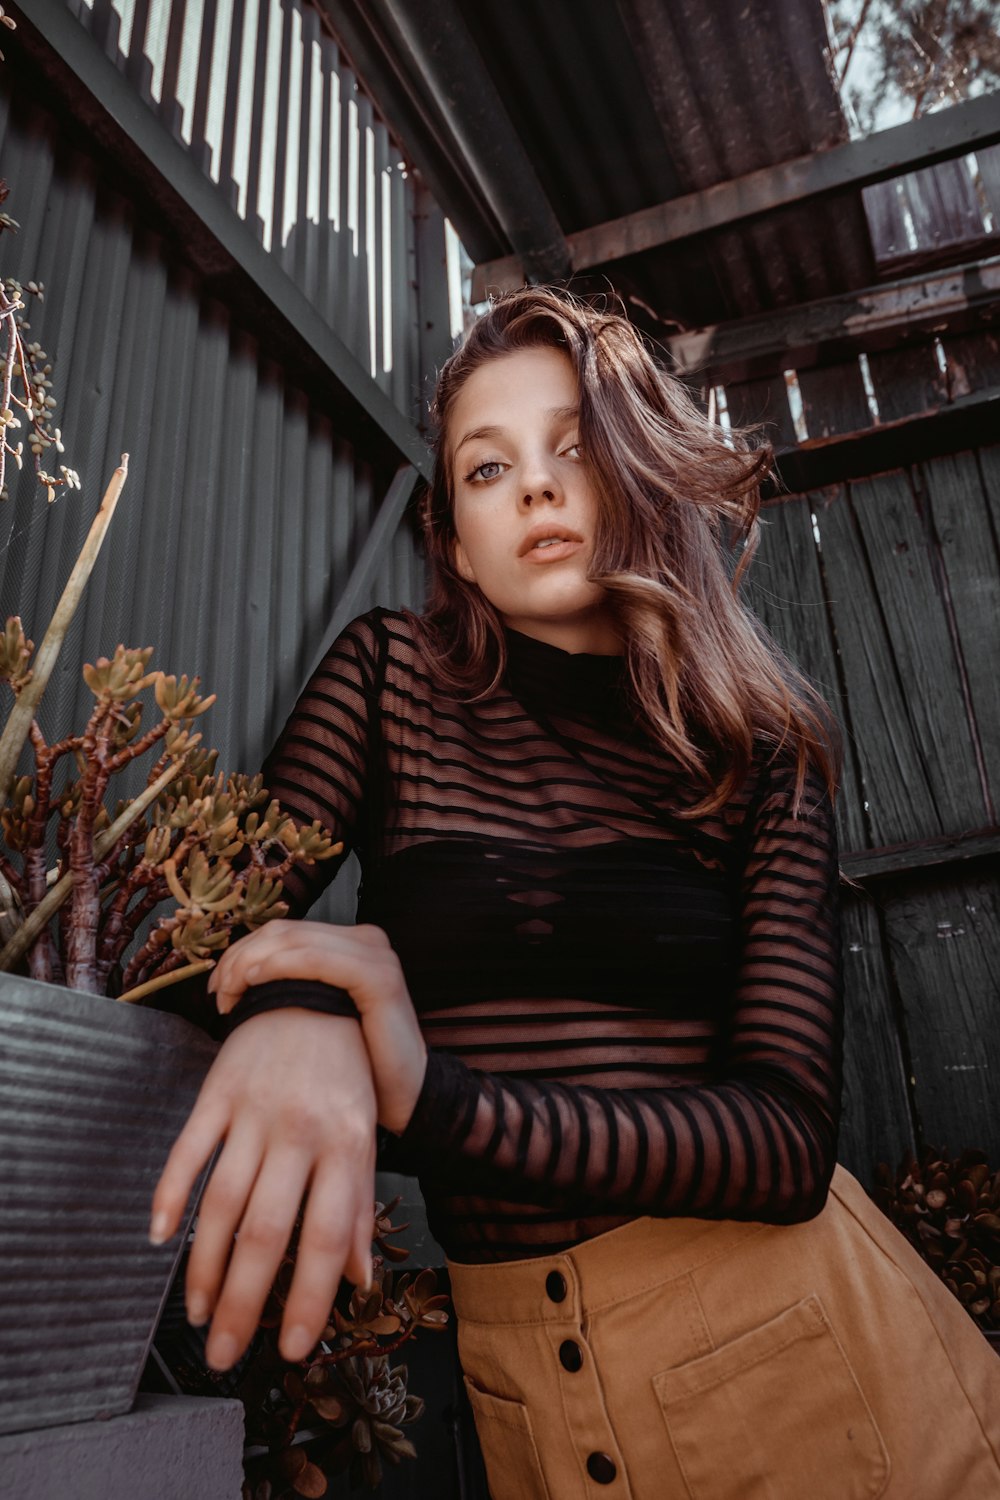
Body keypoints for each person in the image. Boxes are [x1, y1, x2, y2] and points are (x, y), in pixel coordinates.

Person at [151, 288, 1000, 1499]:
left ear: (639, 477)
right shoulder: (388, 682)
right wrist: (311, 1009)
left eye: (575, 449)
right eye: (488, 469)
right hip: (525, 1396)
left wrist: (426, 1095)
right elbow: (203, 934)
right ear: (451, 537)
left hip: (813, 1364)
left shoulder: (764, 753)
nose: (538, 490)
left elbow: (784, 1143)